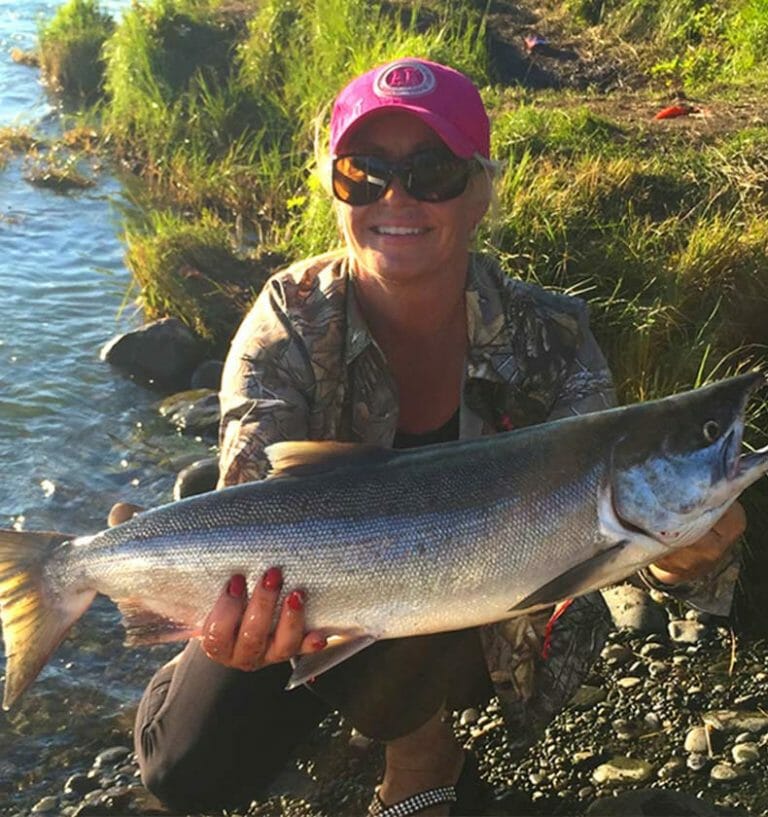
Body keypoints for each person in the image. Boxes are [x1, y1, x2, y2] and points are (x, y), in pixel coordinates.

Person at [127, 58, 745, 817]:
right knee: (183, 767)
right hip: (306, 588)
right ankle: (141, 584)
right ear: (331, 184)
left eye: (433, 171)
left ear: (481, 189)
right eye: (365, 172)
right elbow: (249, 497)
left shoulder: (552, 336)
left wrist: (682, 566)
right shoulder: (286, 322)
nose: (397, 197)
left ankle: (421, 749)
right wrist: (230, 624)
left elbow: (613, 552)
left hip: (485, 602)